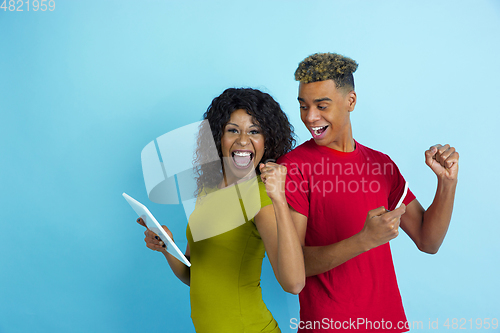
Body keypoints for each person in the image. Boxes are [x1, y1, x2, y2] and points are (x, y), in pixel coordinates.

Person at [278, 53, 459, 332]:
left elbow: (428, 240)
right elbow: (294, 267)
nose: (310, 117)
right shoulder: (293, 168)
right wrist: (364, 240)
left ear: (350, 101)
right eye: (303, 106)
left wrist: (447, 184)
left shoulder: (381, 164)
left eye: (321, 106)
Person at [137, 88, 305, 332]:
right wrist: (167, 247)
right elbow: (196, 277)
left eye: (254, 131)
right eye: (233, 130)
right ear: (218, 137)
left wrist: (279, 200)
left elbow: (294, 283)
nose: (243, 140)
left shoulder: (261, 197)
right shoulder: (208, 189)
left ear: (267, 140)